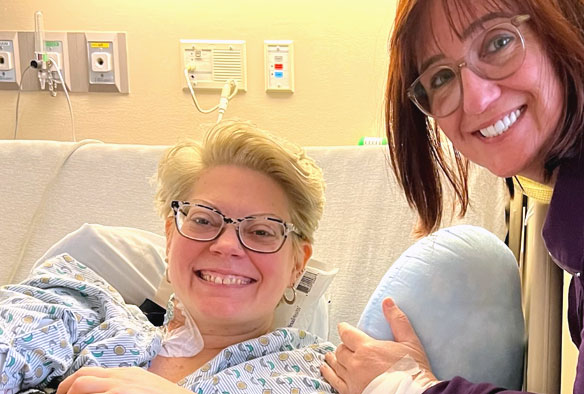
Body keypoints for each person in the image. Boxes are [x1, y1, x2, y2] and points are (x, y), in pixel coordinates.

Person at [321, 0, 584, 393]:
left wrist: (405, 386)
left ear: (566, 21)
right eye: (440, 78)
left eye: (498, 42)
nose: (477, 101)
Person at [0, 120, 336, 394]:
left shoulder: (325, 375)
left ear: (297, 265)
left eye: (261, 230)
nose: (227, 245)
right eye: (204, 220)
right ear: (170, 237)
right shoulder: (86, 313)